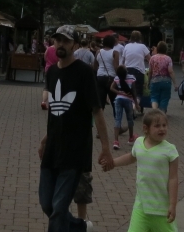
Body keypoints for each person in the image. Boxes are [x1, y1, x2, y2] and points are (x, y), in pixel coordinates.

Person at [37, 25, 112, 232]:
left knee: (59, 209)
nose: (60, 44)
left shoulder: (84, 73)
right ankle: (79, 227)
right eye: (57, 40)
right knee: (47, 204)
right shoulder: (51, 72)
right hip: (53, 148)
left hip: (75, 150)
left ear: (75, 45)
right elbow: (57, 113)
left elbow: (97, 111)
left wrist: (105, 147)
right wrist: (45, 139)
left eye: (66, 41)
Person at [104, 109, 179, 232]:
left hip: (161, 210)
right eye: (157, 126)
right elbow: (131, 157)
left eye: (164, 125)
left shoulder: (170, 150)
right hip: (141, 207)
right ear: (146, 129)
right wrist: (113, 163)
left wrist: (172, 204)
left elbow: (173, 178)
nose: (162, 129)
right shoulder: (139, 143)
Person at [122, 31, 150, 115]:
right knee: (139, 92)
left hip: (127, 71)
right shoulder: (143, 46)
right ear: (140, 38)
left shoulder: (126, 46)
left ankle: (131, 106)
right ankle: (134, 106)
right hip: (139, 71)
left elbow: (123, 60)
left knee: (129, 91)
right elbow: (150, 59)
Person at [111, 65, 137, 150]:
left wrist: (120, 93)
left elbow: (111, 88)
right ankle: (131, 138)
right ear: (126, 71)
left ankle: (116, 141)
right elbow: (133, 91)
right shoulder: (132, 77)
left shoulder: (117, 78)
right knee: (130, 119)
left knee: (118, 119)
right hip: (128, 100)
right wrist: (136, 103)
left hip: (118, 100)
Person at [148, 42, 176, 113]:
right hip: (166, 81)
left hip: (155, 80)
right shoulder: (168, 59)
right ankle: (162, 113)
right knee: (164, 98)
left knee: (154, 97)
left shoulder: (152, 58)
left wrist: (148, 81)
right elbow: (170, 71)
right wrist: (175, 83)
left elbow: (150, 71)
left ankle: (154, 111)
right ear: (166, 49)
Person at [95, 35, 119, 111]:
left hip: (100, 77)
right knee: (114, 101)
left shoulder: (98, 52)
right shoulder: (115, 53)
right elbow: (116, 67)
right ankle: (117, 119)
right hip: (111, 78)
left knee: (101, 102)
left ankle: (99, 119)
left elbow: (95, 66)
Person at [41, 36, 58, 109]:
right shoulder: (58, 50)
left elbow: (45, 57)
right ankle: (53, 103)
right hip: (56, 69)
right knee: (55, 86)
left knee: (46, 87)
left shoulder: (48, 49)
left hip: (48, 68)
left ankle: (44, 102)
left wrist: (48, 62)